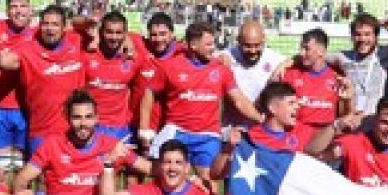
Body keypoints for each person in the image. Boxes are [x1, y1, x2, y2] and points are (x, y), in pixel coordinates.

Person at [138, 19, 263, 180]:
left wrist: (260, 118)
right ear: (193, 45)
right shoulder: (170, 66)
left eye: (213, 43)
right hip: (176, 131)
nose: (213, 48)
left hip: (208, 135)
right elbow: (149, 94)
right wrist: (144, 128)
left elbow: (239, 100)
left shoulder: (221, 69)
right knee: (161, 175)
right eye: (208, 44)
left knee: (209, 180)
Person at [0, 4, 85, 155]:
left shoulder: (76, 42)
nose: (50, 29)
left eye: (55, 24)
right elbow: (2, 61)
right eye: (46, 24)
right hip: (41, 132)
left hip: (75, 131)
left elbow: (93, 25)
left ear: (64, 27)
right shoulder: (27, 50)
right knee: (36, 171)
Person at [14, 90, 144, 195]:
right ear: (67, 118)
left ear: (96, 118)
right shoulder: (52, 145)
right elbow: (21, 179)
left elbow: (149, 168)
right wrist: (21, 194)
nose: (83, 123)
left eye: (88, 117)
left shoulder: (112, 146)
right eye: (77, 117)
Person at [0, 0, 34, 184]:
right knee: (0, 169)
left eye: (23, 6)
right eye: (13, 7)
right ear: (7, 11)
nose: (18, 11)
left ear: (31, 10)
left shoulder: (39, 33)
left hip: (28, 109)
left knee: (24, 168)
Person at [82, 11, 147, 140]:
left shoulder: (133, 58)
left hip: (121, 129)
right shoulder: (86, 54)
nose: (113, 37)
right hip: (91, 126)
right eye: (109, 32)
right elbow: (69, 27)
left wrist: (130, 40)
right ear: (101, 32)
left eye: (118, 33)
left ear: (125, 34)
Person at [329, 13, 388, 124]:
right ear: (352, 36)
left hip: (376, 121)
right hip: (351, 121)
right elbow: (316, 56)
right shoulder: (342, 57)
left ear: (376, 36)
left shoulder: (387, 53)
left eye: (367, 34)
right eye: (358, 34)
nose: (362, 39)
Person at [281, 27, 351, 128]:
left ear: (321, 51)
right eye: (301, 48)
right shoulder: (291, 74)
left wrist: (348, 100)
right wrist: (281, 66)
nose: (301, 53)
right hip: (297, 133)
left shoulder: (337, 77)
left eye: (306, 49)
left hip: (325, 134)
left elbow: (344, 115)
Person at [220, 19, 284, 127]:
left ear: (264, 39)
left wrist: (287, 63)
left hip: (261, 130)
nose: (253, 51)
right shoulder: (224, 58)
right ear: (238, 40)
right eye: (247, 45)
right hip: (232, 130)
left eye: (257, 45)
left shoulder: (276, 60)